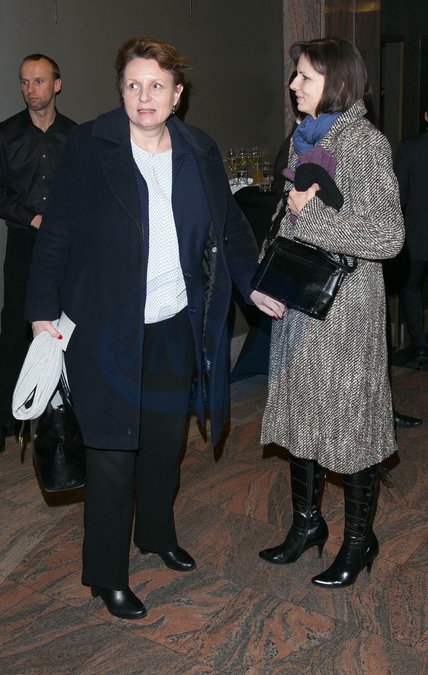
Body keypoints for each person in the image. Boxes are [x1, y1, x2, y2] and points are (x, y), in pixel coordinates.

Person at [24, 36, 282, 619]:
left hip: (172, 325)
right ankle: (107, 573)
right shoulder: (91, 145)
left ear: (177, 94)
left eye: (157, 86)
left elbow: (229, 227)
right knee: (113, 453)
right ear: (121, 90)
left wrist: (251, 283)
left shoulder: (198, 149)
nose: (145, 97)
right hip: (106, 328)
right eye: (134, 85)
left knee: (165, 447)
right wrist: (41, 313)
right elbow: (56, 232)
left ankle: (157, 535)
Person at [258, 37, 405, 588]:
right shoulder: (305, 137)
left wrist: (312, 216)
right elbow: (288, 214)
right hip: (301, 303)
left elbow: (389, 235)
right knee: (301, 416)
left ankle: (359, 540)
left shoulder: (364, 144)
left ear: (336, 83)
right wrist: (267, 278)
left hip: (345, 313)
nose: (293, 85)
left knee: (350, 424)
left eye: (304, 76)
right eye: (295, 75)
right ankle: (307, 524)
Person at [0, 54, 76, 455]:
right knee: (15, 329)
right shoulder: (4, 134)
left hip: (69, 245)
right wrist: (33, 218)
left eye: (38, 81)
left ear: (56, 84)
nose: (30, 89)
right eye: (24, 82)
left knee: (68, 327)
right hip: (24, 243)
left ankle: (65, 416)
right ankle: (2, 418)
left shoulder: (76, 136)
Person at [394, 108, 428, 368]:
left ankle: (420, 347)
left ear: (426, 116)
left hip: (417, 234)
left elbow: (399, 198)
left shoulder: (409, 148)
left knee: (411, 289)